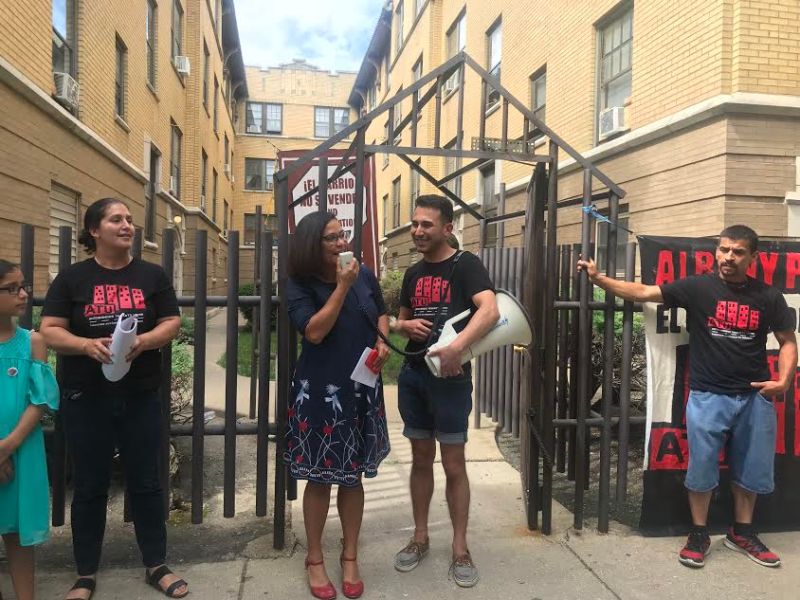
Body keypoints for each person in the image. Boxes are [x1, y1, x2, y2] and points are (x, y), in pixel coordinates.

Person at [577, 224, 797, 569]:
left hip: (754, 398)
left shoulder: (768, 296)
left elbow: (787, 341)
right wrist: (599, 279)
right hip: (708, 396)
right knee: (702, 470)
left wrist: (784, 380)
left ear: (753, 257)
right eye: (724, 249)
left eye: (738, 252)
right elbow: (644, 292)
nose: (728, 257)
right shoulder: (698, 288)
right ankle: (699, 533)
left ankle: (742, 533)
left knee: (751, 472)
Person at [40, 198, 187, 599]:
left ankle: (156, 564)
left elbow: (172, 322)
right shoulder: (73, 279)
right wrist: (86, 345)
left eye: (129, 220)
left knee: (147, 483)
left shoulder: (151, 275)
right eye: (116, 219)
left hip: (139, 394)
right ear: (94, 230)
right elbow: (50, 329)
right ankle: (85, 573)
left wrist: (143, 340)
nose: (127, 226)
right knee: (89, 485)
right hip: (86, 397)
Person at [392, 195, 499, 588]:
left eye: (427, 225)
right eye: (414, 224)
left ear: (448, 228)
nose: (418, 231)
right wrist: (404, 327)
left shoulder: (466, 265)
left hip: (451, 380)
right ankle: (420, 537)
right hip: (414, 376)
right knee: (421, 459)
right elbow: (401, 319)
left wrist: (456, 348)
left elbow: (490, 311)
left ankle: (459, 547)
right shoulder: (412, 273)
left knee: (454, 464)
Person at [284, 211, 391, 600]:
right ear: (314, 244)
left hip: (361, 386)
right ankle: (314, 558)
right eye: (331, 238)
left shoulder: (362, 274)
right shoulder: (300, 283)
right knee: (319, 476)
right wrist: (342, 287)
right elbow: (313, 332)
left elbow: (380, 309)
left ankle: (349, 556)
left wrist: (382, 338)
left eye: (342, 234)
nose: (342, 242)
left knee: (353, 476)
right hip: (320, 393)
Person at [0, 259, 59, 600]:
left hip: (21, 451)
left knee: (19, 534)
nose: (23, 294)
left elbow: (41, 401)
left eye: (24, 286)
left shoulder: (33, 342)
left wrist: (7, 447)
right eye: (12, 288)